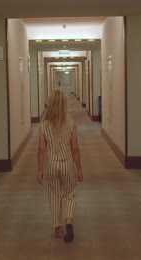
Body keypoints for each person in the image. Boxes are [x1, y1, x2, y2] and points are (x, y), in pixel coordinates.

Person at [37, 90, 83, 243]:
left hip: (52, 163)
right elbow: (75, 148)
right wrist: (79, 168)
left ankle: (57, 228)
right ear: (64, 105)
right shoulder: (71, 125)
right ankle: (69, 220)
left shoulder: (43, 126)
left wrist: (40, 170)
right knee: (70, 192)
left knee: (54, 195)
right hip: (67, 162)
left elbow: (42, 149)